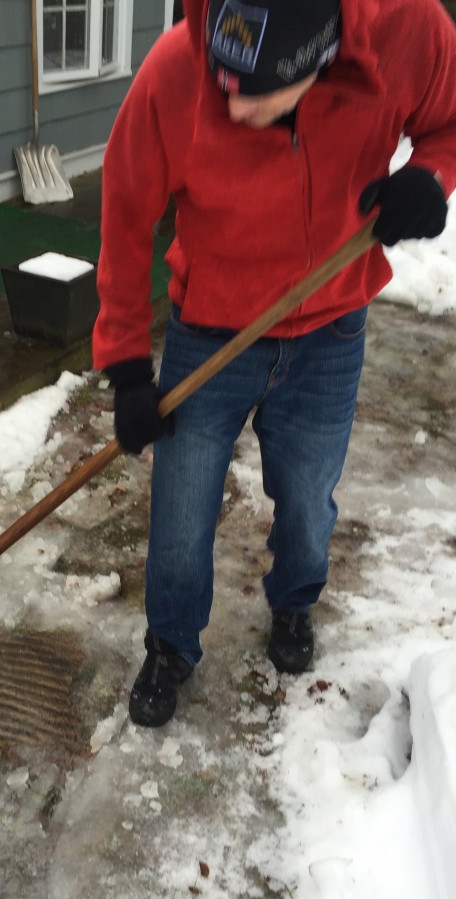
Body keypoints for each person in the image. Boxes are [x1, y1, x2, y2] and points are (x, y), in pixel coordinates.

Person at [92, 0, 456, 727]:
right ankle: (169, 643)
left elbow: (449, 124)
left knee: (307, 495)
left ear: (322, 60)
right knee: (182, 509)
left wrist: (432, 177)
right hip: (210, 334)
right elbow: (127, 212)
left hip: (331, 329)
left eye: (256, 91)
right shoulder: (176, 72)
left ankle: (293, 604)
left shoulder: (408, 31)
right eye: (224, 79)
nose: (234, 104)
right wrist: (129, 366)